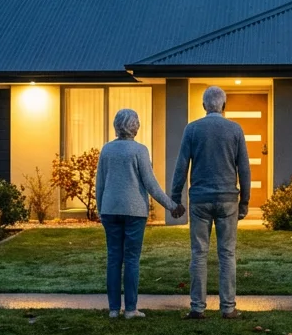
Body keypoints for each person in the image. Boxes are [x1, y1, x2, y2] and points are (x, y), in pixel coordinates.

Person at [170, 85, 251, 320]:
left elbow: (181, 166)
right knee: (227, 254)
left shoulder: (192, 129)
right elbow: (244, 168)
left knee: (199, 253)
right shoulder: (235, 130)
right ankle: (228, 308)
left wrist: (176, 198)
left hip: (200, 201)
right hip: (228, 200)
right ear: (223, 106)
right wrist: (244, 201)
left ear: (204, 106)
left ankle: (197, 307)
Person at [96, 108, 183, 319]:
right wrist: (171, 205)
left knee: (114, 258)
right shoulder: (139, 151)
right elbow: (151, 184)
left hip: (110, 210)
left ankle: (114, 309)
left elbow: (100, 184)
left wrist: (101, 209)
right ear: (136, 126)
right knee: (132, 259)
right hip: (134, 212)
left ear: (116, 126)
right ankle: (131, 309)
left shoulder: (106, 150)